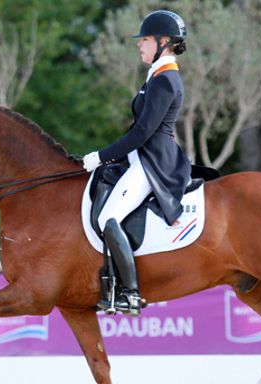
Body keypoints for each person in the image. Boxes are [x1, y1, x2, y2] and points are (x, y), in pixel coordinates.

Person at [82, 10, 191, 316]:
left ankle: (129, 293)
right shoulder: (157, 75)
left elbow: (143, 132)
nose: (139, 45)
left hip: (153, 162)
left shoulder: (166, 79)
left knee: (108, 218)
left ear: (163, 42)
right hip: (141, 156)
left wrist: (101, 156)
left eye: (144, 40)